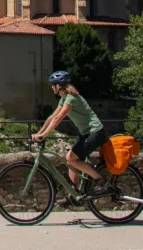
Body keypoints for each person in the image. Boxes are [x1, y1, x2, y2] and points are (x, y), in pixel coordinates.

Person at [31, 71, 109, 206]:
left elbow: (58, 118)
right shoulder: (64, 98)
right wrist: (39, 133)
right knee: (71, 159)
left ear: (59, 86)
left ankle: (100, 179)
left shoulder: (71, 98)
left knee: (71, 158)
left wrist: (44, 135)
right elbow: (51, 117)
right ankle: (74, 194)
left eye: (53, 85)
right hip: (86, 133)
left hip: (95, 132)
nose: (52, 88)